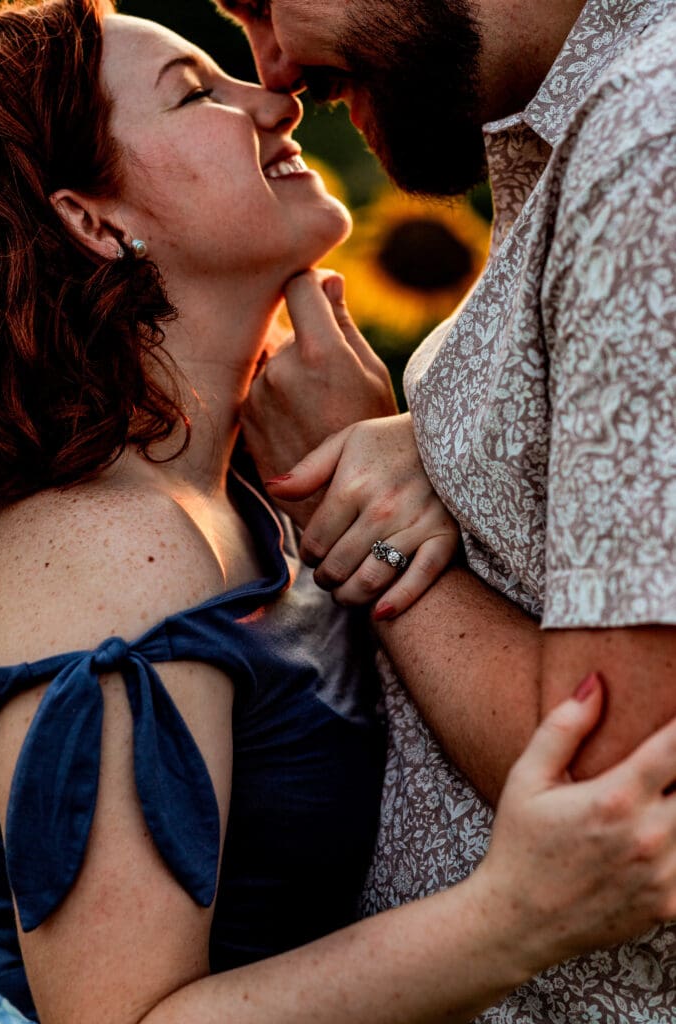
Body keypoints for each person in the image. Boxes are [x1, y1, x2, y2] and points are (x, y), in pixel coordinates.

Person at [0, 2, 676, 1023]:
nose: (271, 95)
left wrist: (407, 445)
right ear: (93, 221)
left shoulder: (238, 491)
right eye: (196, 92)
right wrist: (513, 919)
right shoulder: (106, 539)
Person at [214, 0, 676, 1019]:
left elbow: (624, 785)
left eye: (259, 4)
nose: (275, 72)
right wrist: (419, 449)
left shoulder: (650, 142)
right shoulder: (576, 126)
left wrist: (366, 529)